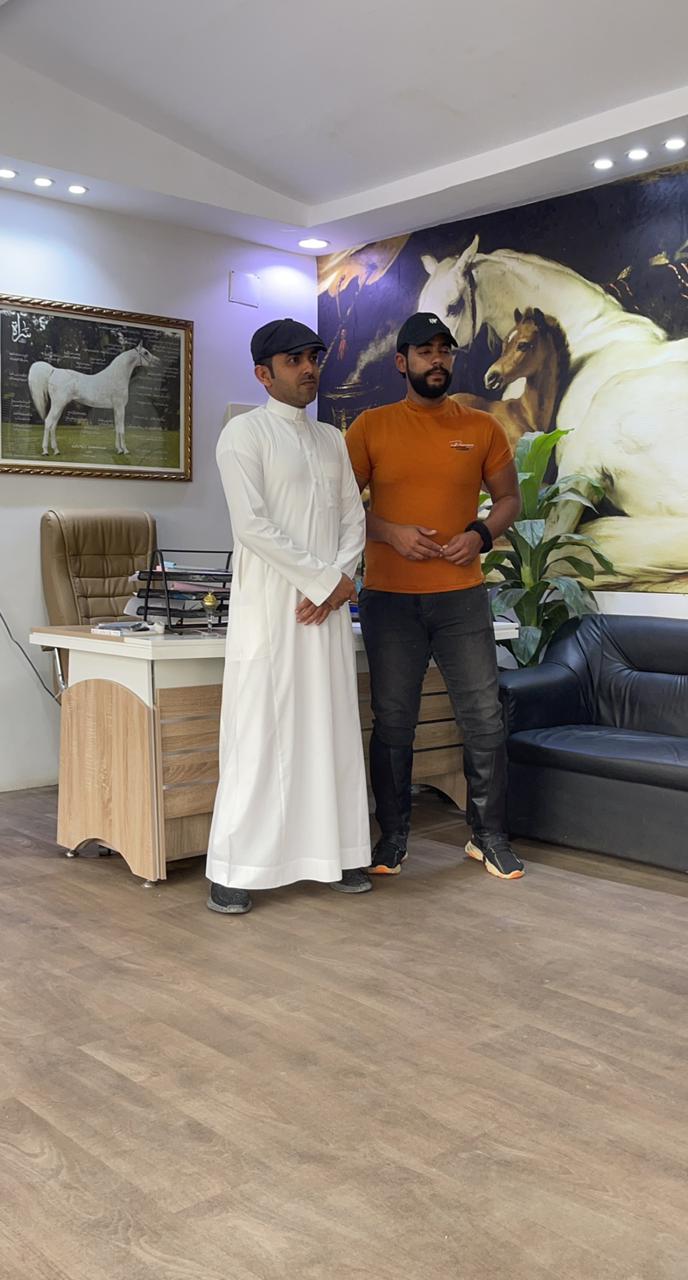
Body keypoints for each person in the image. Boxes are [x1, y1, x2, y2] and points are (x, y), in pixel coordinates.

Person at [345, 311, 524, 880]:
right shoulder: (369, 427)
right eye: (425, 351)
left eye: (445, 350)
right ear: (402, 362)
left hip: (461, 598)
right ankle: (393, 838)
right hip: (389, 599)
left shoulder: (482, 427)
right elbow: (339, 508)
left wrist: (479, 536)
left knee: (484, 718)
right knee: (394, 721)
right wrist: (389, 531)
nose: (438, 359)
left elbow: (510, 500)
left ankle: (488, 837)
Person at [206, 318, 371, 914]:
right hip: (273, 613)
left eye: (313, 358)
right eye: (294, 360)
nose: (308, 369)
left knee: (331, 729)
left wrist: (339, 583)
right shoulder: (242, 435)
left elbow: (353, 518)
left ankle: (339, 854)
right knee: (260, 734)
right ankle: (236, 868)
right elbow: (252, 526)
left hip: (325, 614)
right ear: (263, 373)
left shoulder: (330, 439)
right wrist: (323, 581)